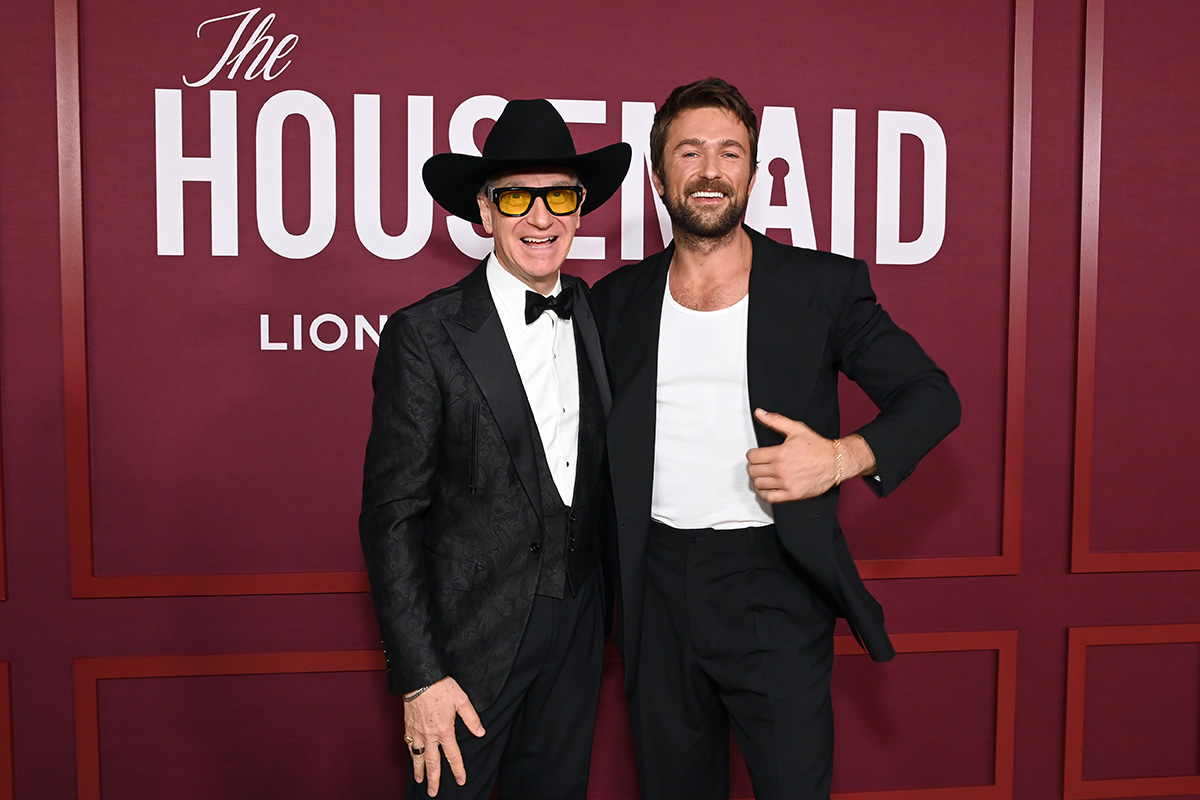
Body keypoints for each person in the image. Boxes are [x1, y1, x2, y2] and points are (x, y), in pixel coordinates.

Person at [591, 77, 961, 800]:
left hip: (773, 581)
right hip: (654, 587)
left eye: (731, 153)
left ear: (753, 174)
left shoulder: (821, 286)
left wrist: (840, 458)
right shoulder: (615, 301)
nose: (710, 169)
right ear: (658, 172)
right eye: (690, 151)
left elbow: (933, 397)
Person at [359, 98, 630, 800]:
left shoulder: (598, 316)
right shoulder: (424, 334)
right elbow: (392, 517)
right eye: (516, 197)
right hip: (467, 648)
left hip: (577, 631)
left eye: (559, 197)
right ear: (483, 215)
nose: (539, 218)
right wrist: (421, 676)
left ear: (579, 210)